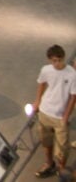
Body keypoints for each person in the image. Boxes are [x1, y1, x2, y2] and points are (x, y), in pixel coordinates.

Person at [34, 44, 76, 178]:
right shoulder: (46, 70)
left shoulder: (72, 74)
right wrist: (37, 102)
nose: (58, 63)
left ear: (64, 58)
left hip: (60, 117)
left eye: (60, 60)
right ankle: (49, 163)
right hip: (45, 112)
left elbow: (73, 97)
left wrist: (66, 116)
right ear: (49, 60)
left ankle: (61, 170)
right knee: (45, 141)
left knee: (62, 147)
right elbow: (41, 83)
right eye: (54, 61)